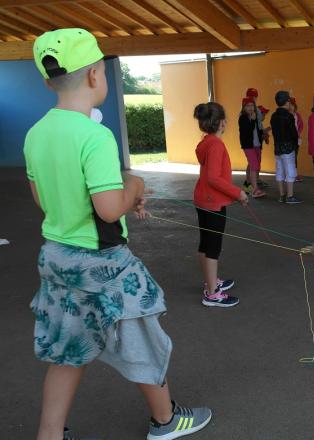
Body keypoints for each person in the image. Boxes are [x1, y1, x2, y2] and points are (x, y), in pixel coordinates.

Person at [24, 28, 211, 440]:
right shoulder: (95, 135)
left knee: (67, 353)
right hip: (103, 264)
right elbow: (109, 207)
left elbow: (44, 201)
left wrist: (120, 192)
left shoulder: (37, 134)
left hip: (57, 258)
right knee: (143, 336)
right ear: (95, 76)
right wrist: (136, 187)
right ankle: (166, 421)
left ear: (47, 81)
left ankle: (49, 434)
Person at [193, 102, 247, 308]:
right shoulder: (216, 145)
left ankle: (211, 281)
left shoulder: (206, 142)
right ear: (222, 123)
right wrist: (238, 193)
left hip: (203, 200)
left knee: (206, 245)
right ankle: (212, 293)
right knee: (212, 248)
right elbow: (213, 178)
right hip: (212, 203)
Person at [270, 91, 302, 204]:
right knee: (290, 171)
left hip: (277, 147)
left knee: (279, 170)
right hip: (288, 147)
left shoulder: (273, 116)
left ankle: (282, 195)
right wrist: (295, 142)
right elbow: (293, 133)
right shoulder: (288, 116)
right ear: (287, 102)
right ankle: (290, 196)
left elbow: (274, 132)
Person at [238, 96, 266, 198]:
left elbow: (258, 130)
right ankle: (255, 190)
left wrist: (263, 134)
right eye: (247, 106)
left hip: (257, 144)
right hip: (248, 145)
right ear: (243, 107)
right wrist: (253, 120)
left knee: (252, 164)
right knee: (254, 165)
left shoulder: (255, 116)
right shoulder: (243, 118)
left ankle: (247, 187)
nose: (250, 108)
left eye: (252, 106)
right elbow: (247, 131)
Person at [289, 96, 304, 182]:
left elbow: (301, 125)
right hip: (288, 140)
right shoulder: (286, 115)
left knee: (294, 157)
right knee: (289, 157)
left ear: (295, 106)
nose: (291, 107)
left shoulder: (297, 115)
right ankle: (290, 174)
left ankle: (294, 174)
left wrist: (298, 133)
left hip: (296, 139)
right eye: (289, 105)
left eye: (292, 105)